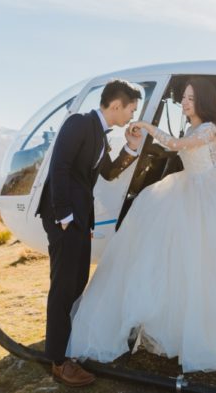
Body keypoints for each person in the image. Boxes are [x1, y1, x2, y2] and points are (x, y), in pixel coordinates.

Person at [67, 77, 216, 373]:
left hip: (204, 201)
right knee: (177, 267)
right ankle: (178, 329)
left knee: (199, 268)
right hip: (186, 194)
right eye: (183, 97)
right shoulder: (191, 126)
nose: (184, 102)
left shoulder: (208, 129)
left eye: (191, 98)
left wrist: (145, 127)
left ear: (205, 102)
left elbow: (175, 145)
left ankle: (200, 334)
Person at [36, 79, 144, 387]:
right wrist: (64, 215)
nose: (131, 115)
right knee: (63, 286)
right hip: (65, 218)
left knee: (76, 283)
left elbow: (109, 172)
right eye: (131, 109)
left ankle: (65, 348)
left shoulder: (101, 134)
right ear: (115, 106)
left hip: (80, 219)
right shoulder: (79, 123)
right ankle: (58, 361)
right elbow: (59, 167)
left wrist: (131, 146)